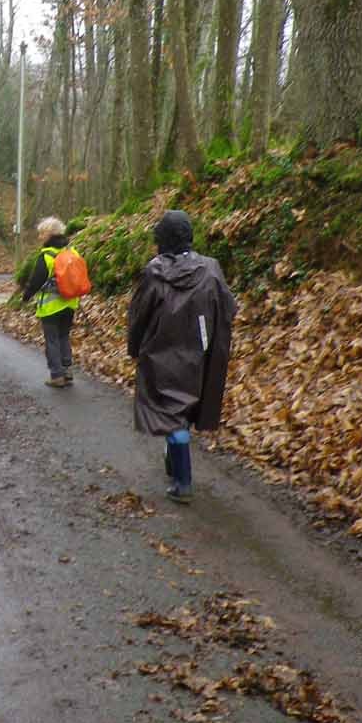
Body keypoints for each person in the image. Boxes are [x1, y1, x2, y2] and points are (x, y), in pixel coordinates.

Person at [127, 210, 237, 505]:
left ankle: (182, 481)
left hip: (161, 353)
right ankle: (175, 457)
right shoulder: (211, 268)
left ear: (161, 239)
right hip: (199, 352)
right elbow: (227, 307)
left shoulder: (154, 271)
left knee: (172, 412)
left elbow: (139, 314)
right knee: (183, 408)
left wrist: (134, 346)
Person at [21, 216, 82, 388]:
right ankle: (67, 370)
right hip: (70, 303)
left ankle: (57, 375)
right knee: (64, 336)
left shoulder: (46, 256)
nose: (39, 237)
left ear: (49, 235)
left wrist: (26, 297)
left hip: (50, 306)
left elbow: (36, 281)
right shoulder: (72, 252)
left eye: (41, 234)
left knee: (52, 340)